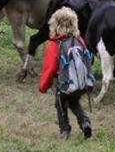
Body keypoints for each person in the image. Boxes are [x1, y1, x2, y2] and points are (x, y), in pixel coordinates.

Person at [39, 7, 94, 140]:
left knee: (60, 104)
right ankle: (85, 122)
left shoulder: (55, 44)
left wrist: (43, 86)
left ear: (55, 24)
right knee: (74, 101)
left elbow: (50, 68)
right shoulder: (79, 40)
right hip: (81, 83)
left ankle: (64, 130)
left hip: (64, 83)